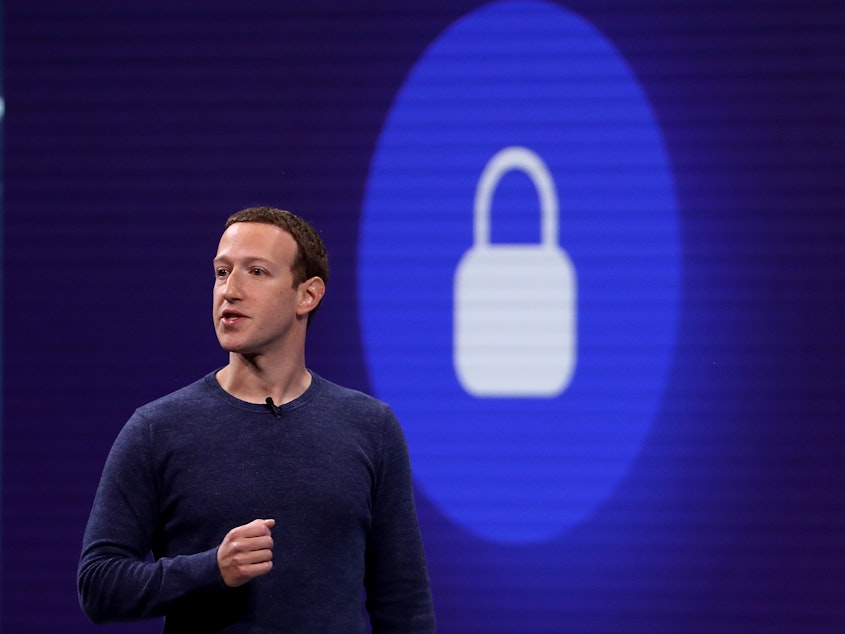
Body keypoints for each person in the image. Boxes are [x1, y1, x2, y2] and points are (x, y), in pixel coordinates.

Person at [78, 206, 436, 633]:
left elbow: (403, 605)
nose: (229, 290)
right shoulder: (158, 429)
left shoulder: (370, 427)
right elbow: (98, 584)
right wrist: (212, 568)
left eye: (256, 272)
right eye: (222, 272)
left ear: (308, 294)